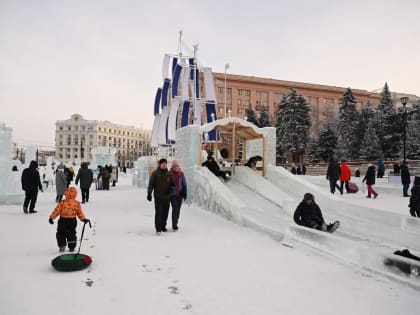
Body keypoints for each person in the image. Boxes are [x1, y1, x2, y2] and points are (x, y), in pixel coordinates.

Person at [49, 187, 90, 252]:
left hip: (63, 220)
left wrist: (52, 217)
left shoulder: (62, 202)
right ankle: (72, 246)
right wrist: (83, 219)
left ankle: (62, 245)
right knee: (71, 233)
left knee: (61, 233)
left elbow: (57, 210)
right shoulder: (76, 203)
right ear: (75, 195)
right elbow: (79, 213)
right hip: (72, 221)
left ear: (66, 194)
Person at [147, 158, 175, 234]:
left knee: (165, 213)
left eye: (165, 163)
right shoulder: (155, 173)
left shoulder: (169, 174)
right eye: (162, 163)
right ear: (160, 164)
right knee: (159, 212)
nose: (164, 165)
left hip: (167, 197)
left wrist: (171, 191)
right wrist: (149, 193)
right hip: (158, 197)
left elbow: (173, 185)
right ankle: (158, 228)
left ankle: (163, 226)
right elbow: (151, 184)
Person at [169, 160, 187, 231]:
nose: (176, 167)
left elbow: (184, 184)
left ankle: (176, 222)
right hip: (172, 194)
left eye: (177, 166)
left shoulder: (181, 174)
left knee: (178, 209)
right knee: (175, 208)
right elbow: (167, 184)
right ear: (172, 167)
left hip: (180, 194)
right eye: (175, 166)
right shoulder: (169, 174)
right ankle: (174, 224)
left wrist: (185, 193)